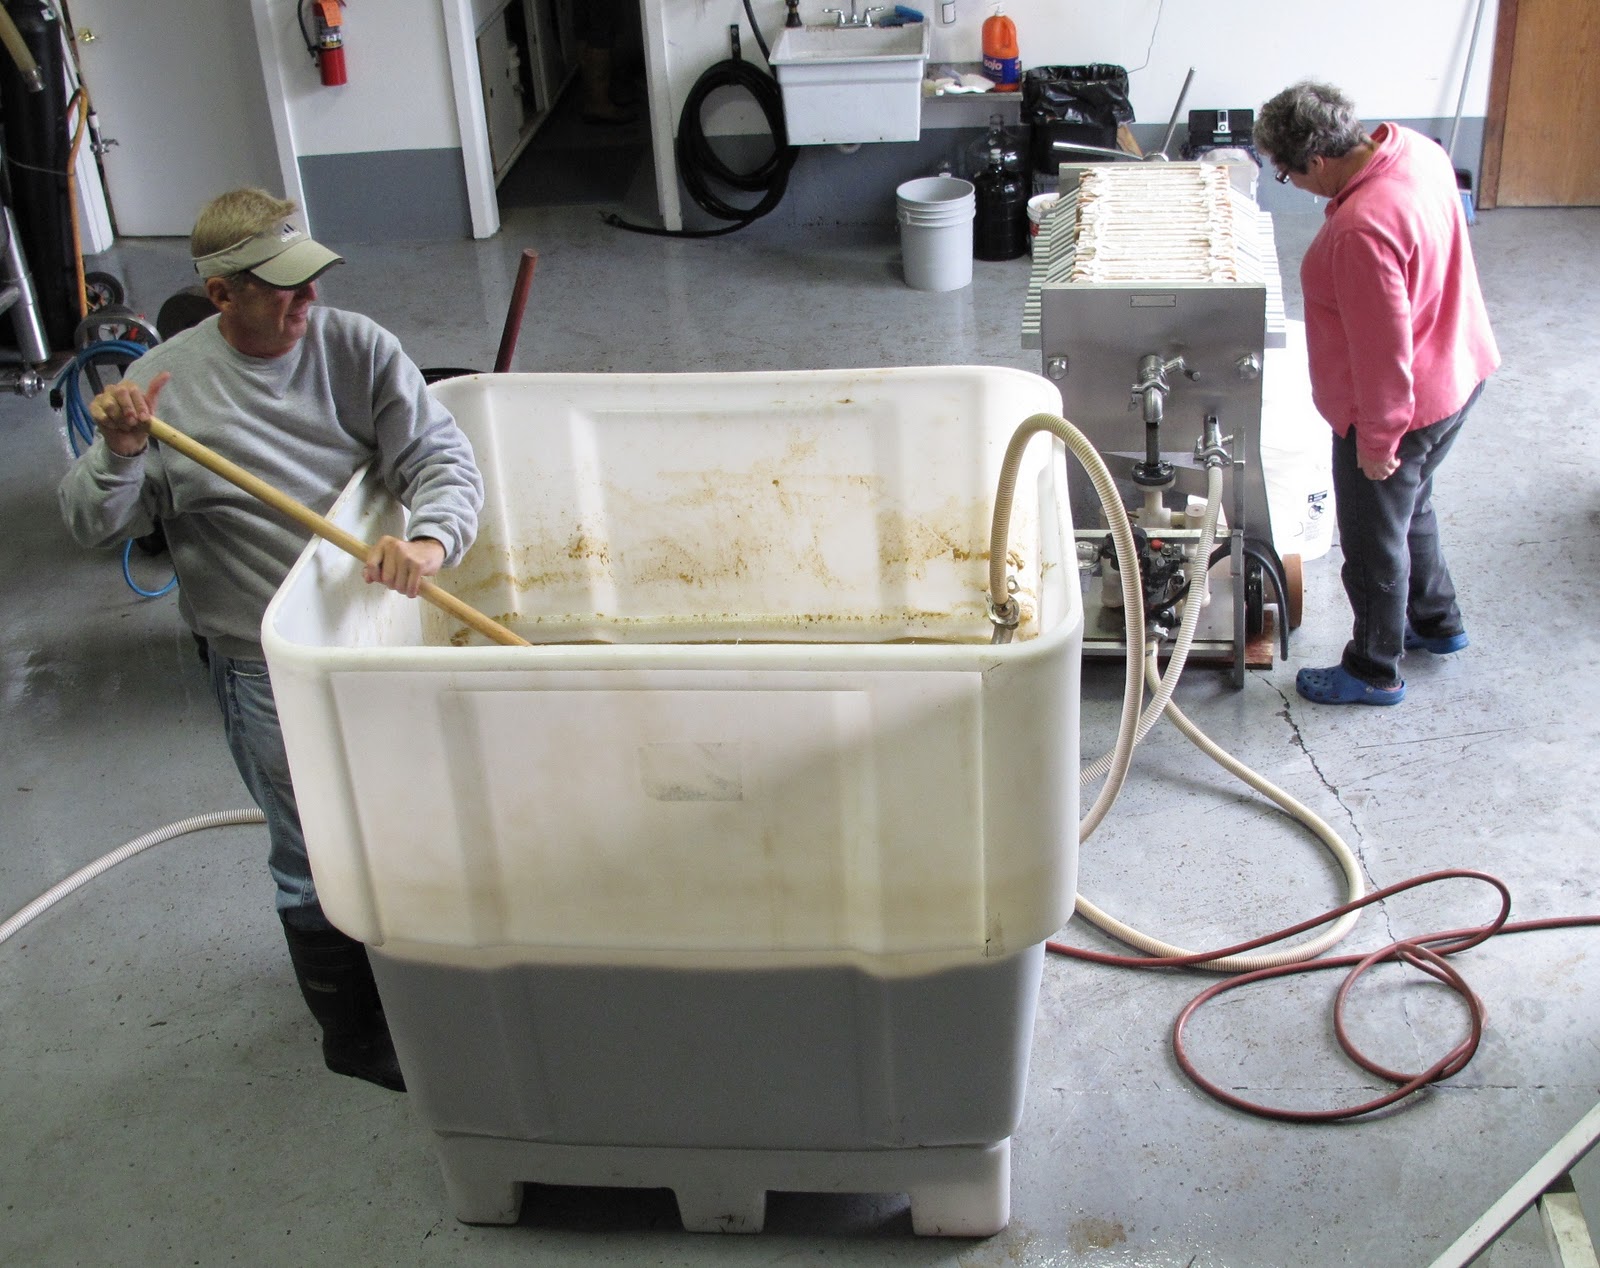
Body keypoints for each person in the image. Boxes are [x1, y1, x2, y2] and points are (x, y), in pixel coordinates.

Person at [58, 189, 484, 1090]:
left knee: (406, 816)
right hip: (261, 659)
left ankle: (421, 987)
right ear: (221, 295)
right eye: (282, 292)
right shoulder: (164, 395)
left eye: (311, 284)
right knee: (313, 843)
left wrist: (428, 540)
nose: (307, 306)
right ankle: (354, 1036)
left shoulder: (356, 347)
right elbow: (92, 527)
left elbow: (440, 457)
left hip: (372, 630)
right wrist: (123, 455)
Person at [1253, 82, 1499, 706]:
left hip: (1399, 409)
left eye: (1288, 175)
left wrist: (1378, 442)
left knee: (1370, 542)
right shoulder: (1416, 149)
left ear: (1316, 162)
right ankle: (1438, 623)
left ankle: (1373, 667)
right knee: (1412, 508)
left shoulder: (1362, 229)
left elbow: (1383, 353)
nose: (1296, 187)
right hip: (1459, 371)